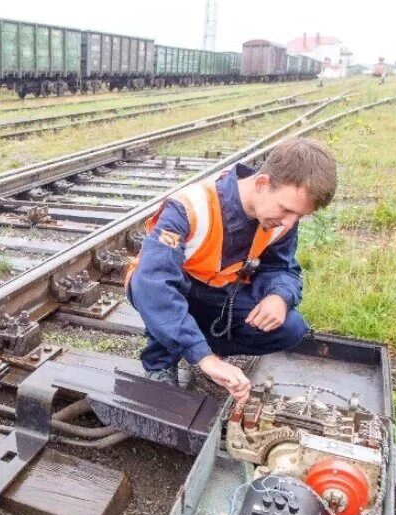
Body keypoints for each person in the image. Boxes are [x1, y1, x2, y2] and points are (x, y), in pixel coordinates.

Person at [124, 137, 337, 403]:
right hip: (168, 289)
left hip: (221, 291)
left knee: (290, 327)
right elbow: (154, 283)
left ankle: (199, 347)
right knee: (164, 297)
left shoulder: (280, 218)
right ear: (262, 184)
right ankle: (161, 361)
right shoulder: (190, 207)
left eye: (299, 216)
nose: (290, 222)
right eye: (287, 210)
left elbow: (282, 268)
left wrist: (279, 296)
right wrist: (204, 358)